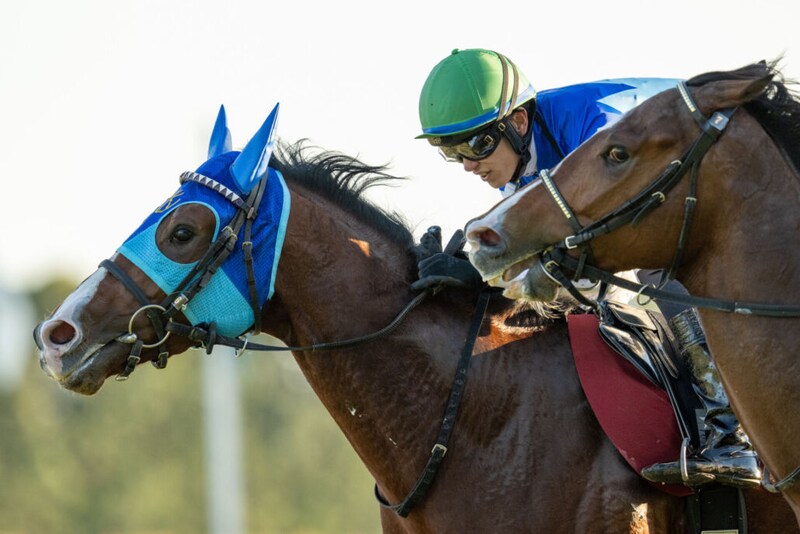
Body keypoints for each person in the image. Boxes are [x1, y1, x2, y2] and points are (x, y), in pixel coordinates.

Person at [412, 48, 762, 489]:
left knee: (657, 275)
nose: (467, 163)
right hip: (692, 187)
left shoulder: (591, 130)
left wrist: (486, 277)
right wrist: (472, 268)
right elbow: (531, 249)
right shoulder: (519, 158)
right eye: (452, 150)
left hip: (736, 181)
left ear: (518, 122)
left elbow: (588, 259)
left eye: (477, 143)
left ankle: (733, 437)